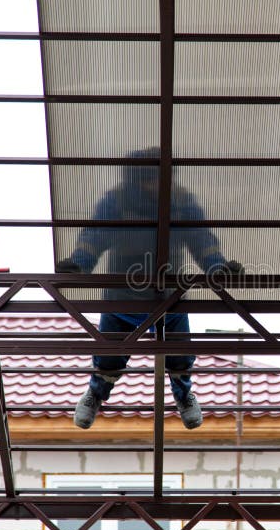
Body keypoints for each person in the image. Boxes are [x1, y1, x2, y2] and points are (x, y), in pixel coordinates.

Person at [56, 149, 242, 430]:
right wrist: (79, 265)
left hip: (169, 297)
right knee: (109, 356)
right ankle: (95, 394)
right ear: (137, 179)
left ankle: (183, 397)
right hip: (122, 297)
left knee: (179, 354)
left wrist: (218, 268)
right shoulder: (117, 201)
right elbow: (94, 235)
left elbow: (202, 240)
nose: (157, 185)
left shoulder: (180, 202)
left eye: (161, 179)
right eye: (151, 180)